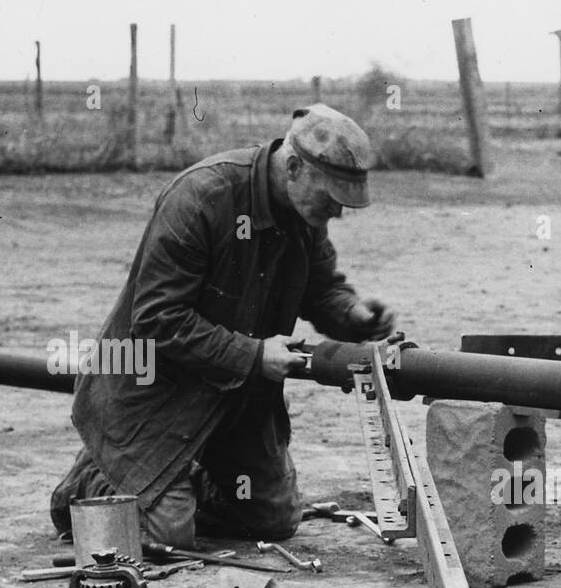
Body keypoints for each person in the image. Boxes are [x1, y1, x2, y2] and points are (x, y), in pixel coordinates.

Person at [50, 104, 396, 549]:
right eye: (330, 198)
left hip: (233, 399)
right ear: (293, 167)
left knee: (271, 518)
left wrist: (352, 314)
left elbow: (321, 288)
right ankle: (94, 484)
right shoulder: (202, 197)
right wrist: (254, 355)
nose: (337, 213)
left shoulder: (302, 215)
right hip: (154, 394)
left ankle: (167, 485)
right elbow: (158, 318)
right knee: (167, 536)